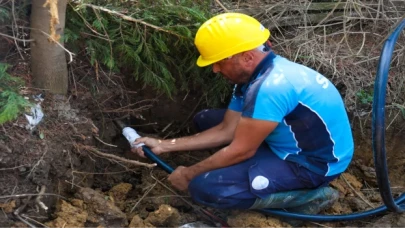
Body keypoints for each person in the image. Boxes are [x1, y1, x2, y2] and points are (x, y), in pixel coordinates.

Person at [133, 13, 354, 214]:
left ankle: (308, 198)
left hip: (312, 165)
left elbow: (241, 151)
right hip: (288, 143)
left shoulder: (270, 87)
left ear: (247, 57)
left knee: (205, 188)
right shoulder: (258, 75)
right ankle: (252, 171)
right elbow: (226, 129)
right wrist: (163, 145)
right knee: (206, 120)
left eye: (220, 62)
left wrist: (188, 175)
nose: (215, 69)